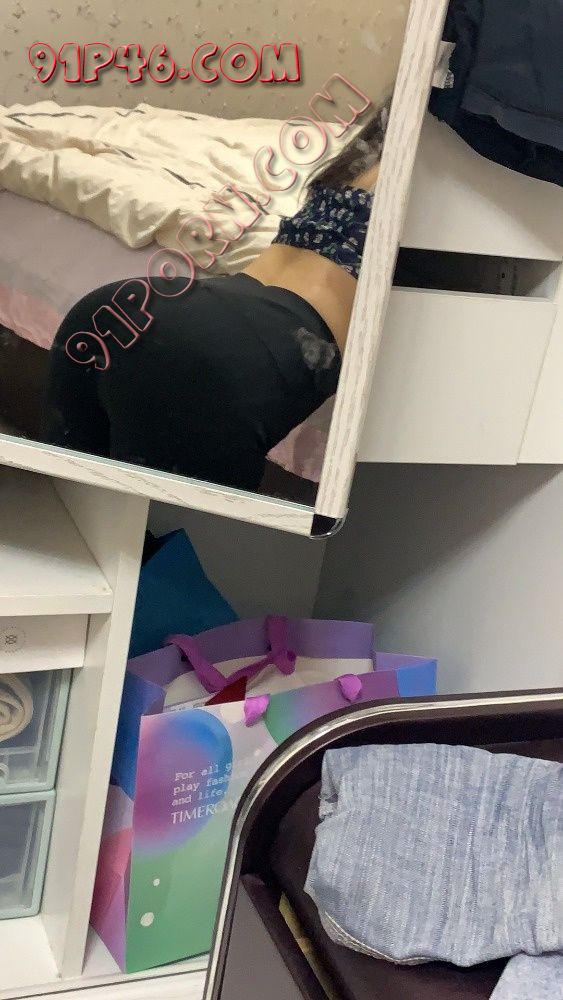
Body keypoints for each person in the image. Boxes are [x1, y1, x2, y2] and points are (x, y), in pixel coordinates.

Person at [42, 104, 388, 492]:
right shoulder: (424, 203)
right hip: (212, 369)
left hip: (122, 307)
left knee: (61, 503)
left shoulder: (360, 161)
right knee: (162, 527)